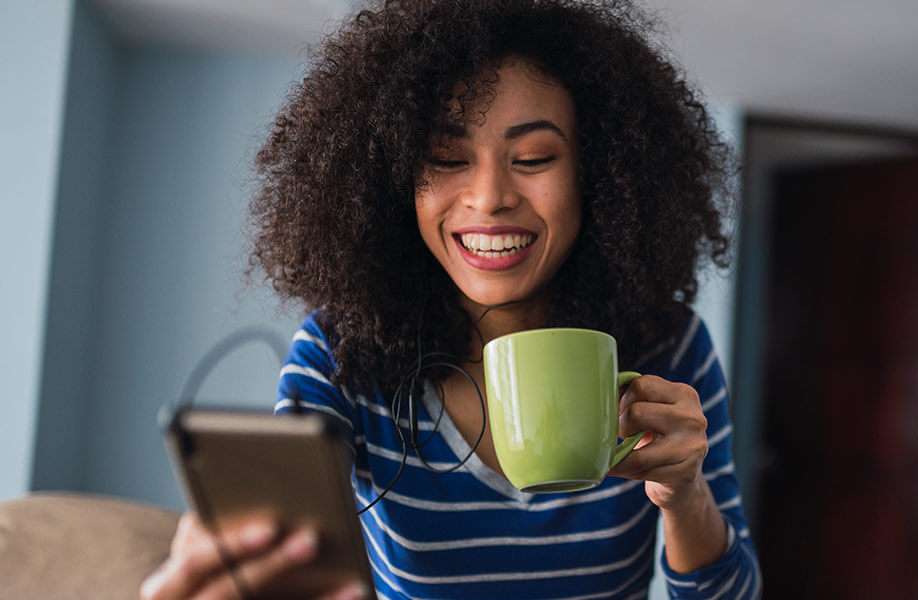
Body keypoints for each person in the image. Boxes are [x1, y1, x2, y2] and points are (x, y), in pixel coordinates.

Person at [140, 0, 760, 598]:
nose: (489, 197)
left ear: (597, 174)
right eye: (446, 157)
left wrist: (686, 496)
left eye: (533, 157)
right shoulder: (340, 352)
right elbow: (288, 558)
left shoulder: (668, 346)